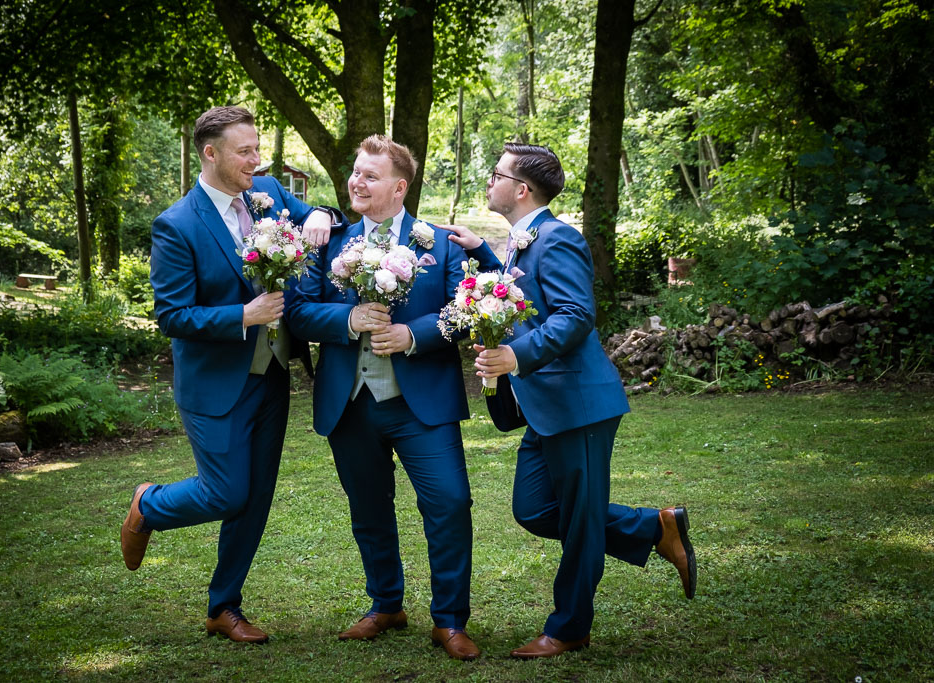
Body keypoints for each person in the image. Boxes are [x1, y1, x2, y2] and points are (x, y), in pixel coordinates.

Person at [439, 142, 696, 659]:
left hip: (578, 404)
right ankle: (654, 526)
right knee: (534, 509)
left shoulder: (559, 238)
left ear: (521, 189)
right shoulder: (524, 240)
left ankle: (569, 627)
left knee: (580, 522)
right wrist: (483, 251)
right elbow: (522, 290)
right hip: (545, 406)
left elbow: (576, 315)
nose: (489, 181)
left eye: (497, 174)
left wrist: (515, 356)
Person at [120, 105, 341, 643]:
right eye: (245, 151)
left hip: (272, 376)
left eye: (257, 148)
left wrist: (321, 213)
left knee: (256, 496)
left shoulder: (268, 193)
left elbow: (319, 216)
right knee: (226, 493)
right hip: (215, 383)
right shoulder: (177, 225)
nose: (255, 159)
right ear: (210, 153)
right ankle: (149, 504)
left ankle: (224, 607)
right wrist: (243, 315)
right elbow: (172, 315)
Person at [285, 135, 480, 661]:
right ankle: (386, 604)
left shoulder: (440, 243)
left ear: (399, 187)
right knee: (368, 507)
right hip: (350, 402)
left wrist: (413, 334)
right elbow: (298, 311)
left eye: (370, 176)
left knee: (450, 502)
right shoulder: (328, 241)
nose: (357, 182)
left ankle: (450, 620)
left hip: (423, 404)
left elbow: (464, 311)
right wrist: (347, 319)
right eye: (355, 172)